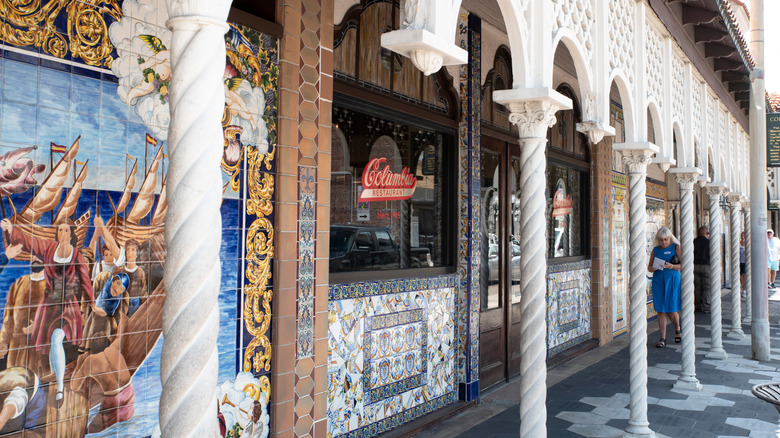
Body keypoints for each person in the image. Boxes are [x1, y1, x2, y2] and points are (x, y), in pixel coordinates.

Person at [648, 227, 682, 348]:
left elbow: (683, 265)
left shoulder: (676, 247)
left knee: (672, 310)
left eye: (666, 239)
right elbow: (649, 267)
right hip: (659, 281)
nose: (664, 242)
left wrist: (671, 266)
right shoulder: (655, 250)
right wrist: (654, 268)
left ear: (670, 238)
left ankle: (677, 328)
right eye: (661, 240)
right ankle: (662, 338)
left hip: (672, 280)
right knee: (660, 310)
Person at [692, 226, 711, 313]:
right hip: (706, 266)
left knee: (697, 287)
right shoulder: (709, 242)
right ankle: (706, 307)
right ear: (706, 233)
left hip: (695, 266)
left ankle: (698, 306)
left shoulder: (694, 242)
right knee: (706, 288)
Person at [740, 232, 747, 298]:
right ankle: (742, 287)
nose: (742, 236)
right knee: (740, 276)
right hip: (740, 261)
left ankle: (744, 290)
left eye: (743, 235)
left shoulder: (747, 243)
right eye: (741, 235)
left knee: (744, 276)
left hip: (745, 262)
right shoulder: (739, 243)